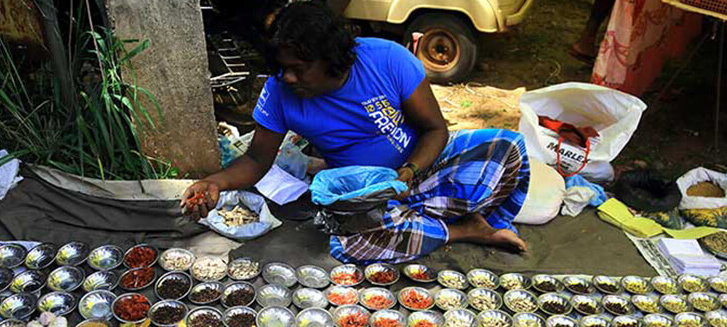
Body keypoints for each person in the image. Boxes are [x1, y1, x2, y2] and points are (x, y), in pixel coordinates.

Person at [182, 2, 531, 264]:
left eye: (298, 68)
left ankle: (420, 217)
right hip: (364, 196)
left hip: (420, 169)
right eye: (282, 68)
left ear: (330, 58)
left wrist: (409, 171)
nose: (288, 77)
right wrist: (215, 183)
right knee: (348, 243)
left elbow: (435, 130)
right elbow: (258, 159)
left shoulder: (387, 59)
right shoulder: (279, 92)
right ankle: (462, 229)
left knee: (508, 147)